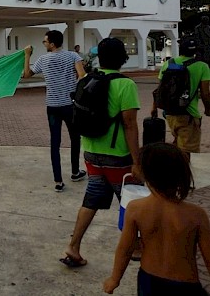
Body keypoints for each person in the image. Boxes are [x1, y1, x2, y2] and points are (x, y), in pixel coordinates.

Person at [60, 38, 141, 267]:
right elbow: (130, 125)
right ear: (123, 58)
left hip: (91, 153)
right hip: (118, 158)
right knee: (131, 203)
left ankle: (73, 246)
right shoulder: (125, 85)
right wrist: (137, 161)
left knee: (91, 200)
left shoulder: (86, 80)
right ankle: (135, 247)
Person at [103, 142, 210, 295]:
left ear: (145, 173)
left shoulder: (136, 209)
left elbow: (125, 248)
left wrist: (115, 279)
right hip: (185, 285)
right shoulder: (196, 214)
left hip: (149, 282)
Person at [23, 30, 87, 192]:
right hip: (70, 105)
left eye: (45, 41)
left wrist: (27, 55)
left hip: (52, 106)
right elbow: (82, 75)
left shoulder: (43, 59)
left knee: (55, 143)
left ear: (52, 44)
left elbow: (26, 75)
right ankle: (74, 172)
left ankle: (58, 181)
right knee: (75, 138)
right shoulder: (73, 56)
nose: (44, 44)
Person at [151, 34, 210, 162]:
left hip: (170, 113)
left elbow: (159, 90)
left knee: (177, 142)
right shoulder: (202, 66)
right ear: (195, 51)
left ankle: (173, 169)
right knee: (186, 151)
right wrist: (208, 109)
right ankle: (181, 176)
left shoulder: (168, 64)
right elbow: (206, 93)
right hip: (189, 113)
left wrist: (154, 108)